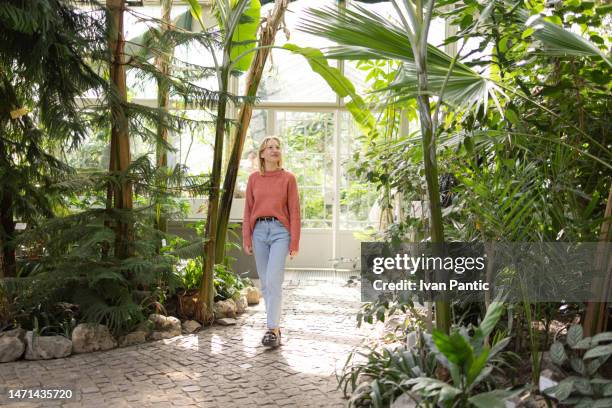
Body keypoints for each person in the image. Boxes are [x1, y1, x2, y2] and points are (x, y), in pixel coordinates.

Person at [242, 136, 301, 348]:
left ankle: (272, 329)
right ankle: (274, 328)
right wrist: (247, 237)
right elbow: (248, 209)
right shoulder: (254, 179)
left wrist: (294, 242)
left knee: (274, 279)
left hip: (280, 232)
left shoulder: (288, 178)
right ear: (262, 153)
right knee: (266, 282)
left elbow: (294, 211)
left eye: (278, 147)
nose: (275, 150)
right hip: (258, 231)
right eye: (270, 147)